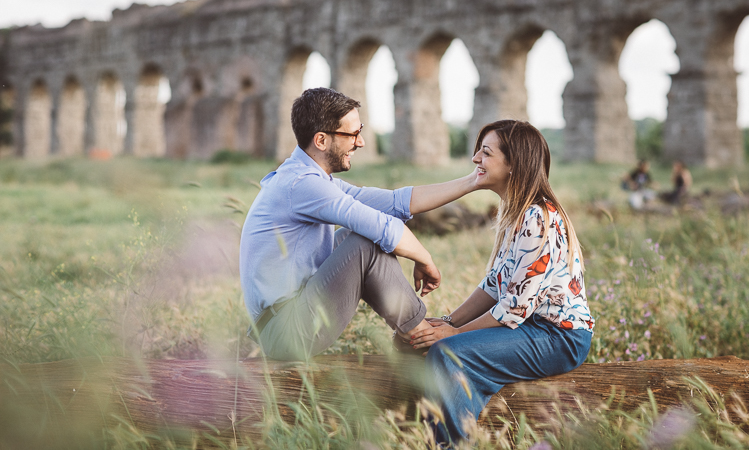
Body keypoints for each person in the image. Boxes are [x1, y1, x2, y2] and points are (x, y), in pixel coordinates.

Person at [239, 87, 478, 361]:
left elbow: (395, 202)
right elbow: (382, 227)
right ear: (321, 140)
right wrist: (426, 259)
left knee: (355, 235)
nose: (361, 142)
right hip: (286, 333)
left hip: (287, 323)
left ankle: (412, 335)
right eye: (352, 134)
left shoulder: (309, 178)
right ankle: (420, 336)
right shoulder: (302, 184)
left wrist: (472, 182)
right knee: (364, 240)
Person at [409, 120, 595, 446]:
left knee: (449, 354)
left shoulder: (539, 217)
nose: (475, 159)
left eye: (485, 152)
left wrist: (453, 334)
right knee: (442, 346)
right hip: (529, 328)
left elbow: (514, 307)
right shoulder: (516, 214)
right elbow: (494, 286)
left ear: (512, 164)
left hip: (558, 335)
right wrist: (450, 321)